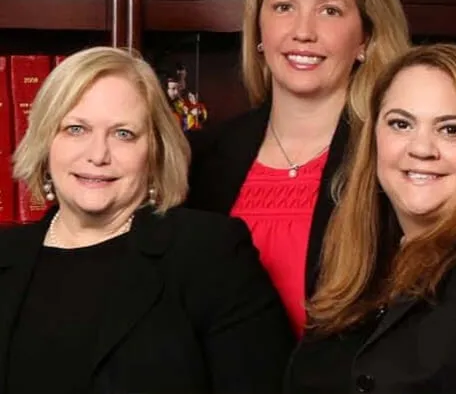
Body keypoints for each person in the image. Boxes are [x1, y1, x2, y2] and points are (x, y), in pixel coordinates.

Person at [0, 46, 294, 394]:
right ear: (45, 142)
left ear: (155, 150)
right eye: (76, 129)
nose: (97, 155)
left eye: (123, 133)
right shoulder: (7, 256)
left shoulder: (209, 253)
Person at [186, 0, 410, 337]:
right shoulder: (201, 158)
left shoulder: (395, 157)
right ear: (259, 27)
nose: (303, 31)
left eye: (330, 11)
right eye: (284, 7)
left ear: (366, 36)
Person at [286, 43, 456, 393]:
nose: (421, 149)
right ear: (374, 138)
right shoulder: (353, 256)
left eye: (451, 129)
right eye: (401, 124)